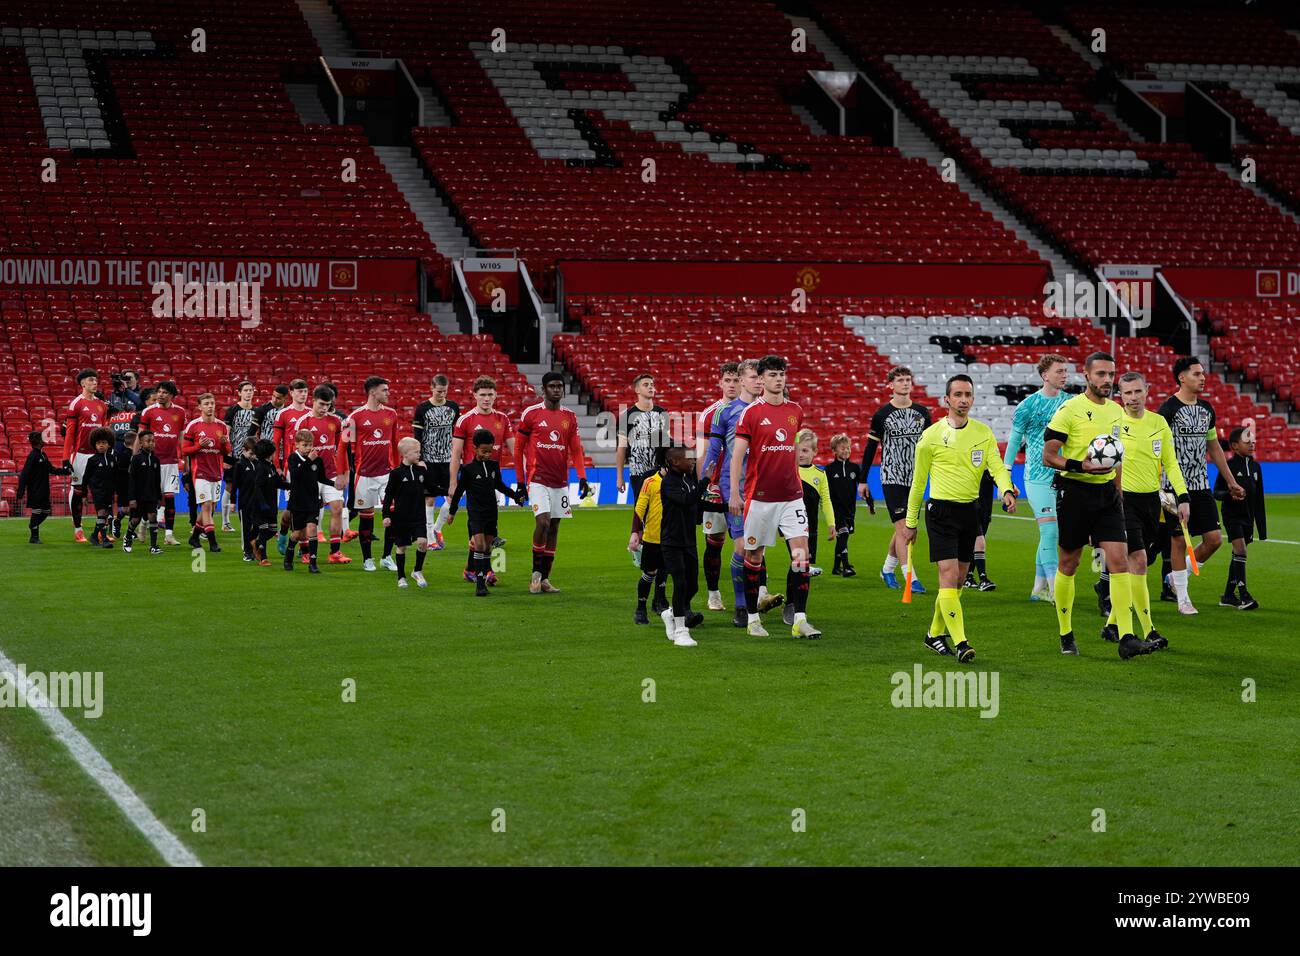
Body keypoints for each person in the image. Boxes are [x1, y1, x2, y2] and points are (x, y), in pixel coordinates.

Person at [1043, 352, 1153, 660]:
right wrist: (1080, 465)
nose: (1107, 380)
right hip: (1074, 492)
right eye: (1101, 374)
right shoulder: (1070, 410)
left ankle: (1127, 637)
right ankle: (1066, 633)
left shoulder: (1117, 412)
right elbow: (1048, 455)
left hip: (1107, 496)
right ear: (1087, 376)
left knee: (1119, 562)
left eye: (1111, 375)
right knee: (1070, 564)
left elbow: (1116, 456)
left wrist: (1118, 492)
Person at [901, 375, 1018, 663]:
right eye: (958, 394)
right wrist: (910, 522)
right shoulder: (930, 436)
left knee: (960, 579)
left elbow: (998, 468)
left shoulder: (983, 433)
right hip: (940, 513)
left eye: (968, 394)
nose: (963, 399)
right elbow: (918, 483)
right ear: (947, 400)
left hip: (970, 512)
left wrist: (1006, 490)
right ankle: (962, 642)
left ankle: (933, 634)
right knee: (949, 576)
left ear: (973, 398)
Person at [729, 354, 820, 639]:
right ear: (762, 379)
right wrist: (734, 491)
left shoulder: (796, 410)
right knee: (753, 557)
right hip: (760, 499)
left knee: (801, 555)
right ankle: (753, 619)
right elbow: (738, 456)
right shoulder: (751, 413)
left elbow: (791, 452)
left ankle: (800, 620)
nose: (778, 379)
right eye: (772, 374)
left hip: (792, 496)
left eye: (782, 374)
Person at [1107, 371, 1189, 649]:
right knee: (1139, 560)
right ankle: (1149, 629)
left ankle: (1111, 624)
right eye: (1127, 393)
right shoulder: (1114, 422)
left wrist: (1183, 496)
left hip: (1151, 502)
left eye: (1137, 391)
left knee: (1140, 561)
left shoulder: (1159, 423)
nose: (1132, 398)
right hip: (1122, 501)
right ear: (1120, 394)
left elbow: (1172, 463)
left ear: (1147, 390)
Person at [1158, 356, 1245, 614]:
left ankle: (1177, 575)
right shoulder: (1168, 409)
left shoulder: (1207, 409)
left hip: (1200, 484)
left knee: (1214, 540)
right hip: (1173, 487)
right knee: (1177, 539)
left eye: (1203, 373)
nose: (1203, 377)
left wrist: (1231, 481)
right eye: (1196, 373)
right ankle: (1183, 598)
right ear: (1182, 377)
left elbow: (1214, 446)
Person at [703, 359, 783, 627]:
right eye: (752, 377)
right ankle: (741, 606)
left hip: (764, 488)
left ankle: (757, 597)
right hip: (733, 487)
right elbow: (714, 451)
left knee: (757, 547)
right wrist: (706, 482)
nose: (759, 381)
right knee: (741, 546)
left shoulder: (770, 410)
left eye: (760, 377)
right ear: (742, 380)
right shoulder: (724, 412)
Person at [1003, 353, 1071, 601]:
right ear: (1045, 375)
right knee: (1051, 532)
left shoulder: (1071, 403)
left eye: (1066, 371)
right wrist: (1006, 475)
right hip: (1036, 477)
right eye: (1059, 371)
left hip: (1063, 476)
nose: (1065, 375)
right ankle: (1056, 591)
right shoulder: (1027, 405)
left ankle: (1037, 589)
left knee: (1051, 533)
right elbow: (1014, 440)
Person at [516, 372, 590, 594]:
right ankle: (535, 574)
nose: (557, 389)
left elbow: (576, 449)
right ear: (544, 389)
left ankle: (546, 578)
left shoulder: (570, 416)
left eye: (560, 386)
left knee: (555, 527)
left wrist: (583, 477)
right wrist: (520, 482)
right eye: (552, 386)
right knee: (544, 523)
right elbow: (518, 448)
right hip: (538, 478)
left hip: (561, 481)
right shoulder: (531, 414)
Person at [860, 366, 930, 593]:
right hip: (891, 477)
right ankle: (910, 576)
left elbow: (931, 446)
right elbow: (870, 448)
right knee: (903, 529)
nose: (905, 383)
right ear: (891, 385)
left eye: (907, 379)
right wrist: (863, 480)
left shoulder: (922, 413)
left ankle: (887, 570)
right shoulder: (882, 414)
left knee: (906, 528)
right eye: (900, 380)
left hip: (916, 478)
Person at [448, 376, 514, 584]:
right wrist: (453, 483)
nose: (486, 398)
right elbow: (456, 454)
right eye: (483, 394)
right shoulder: (465, 420)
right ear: (474, 395)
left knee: (487, 531)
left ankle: (472, 569)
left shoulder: (503, 419)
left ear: (495, 395)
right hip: (472, 480)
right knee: (480, 530)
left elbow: (514, 448)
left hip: (493, 478)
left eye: (490, 394)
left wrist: (524, 475)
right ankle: (486, 572)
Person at [447, 429, 526, 596]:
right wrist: (452, 512)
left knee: (488, 547)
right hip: (475, 513)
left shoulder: (493, 466)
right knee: (480, 545)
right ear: (475, 448)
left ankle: (481, 576)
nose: (488, 454)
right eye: (484, 451)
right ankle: (480, 584)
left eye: (490, 451)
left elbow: (500, 485)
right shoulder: (468, 469)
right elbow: (459, 491)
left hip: (491, 512)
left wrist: (516, 496)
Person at [658, 445, 715, 647]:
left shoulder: (689, 479)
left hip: (689, 541)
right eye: (688, 459)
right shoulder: (668, 483)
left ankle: (671, 613)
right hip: (671, 542)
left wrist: (725, 508)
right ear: (674, 462)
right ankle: (681, 631)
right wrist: (706, 480)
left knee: (693, 585)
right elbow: (687, 500)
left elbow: (696, 504)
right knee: (680, 583)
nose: (692, 462)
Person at [346, 376, 401, 571]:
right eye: (384, 390)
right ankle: (367, 559)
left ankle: (387, 556)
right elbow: (347, 447)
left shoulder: (392, 414)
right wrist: (347, 472)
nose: (388, 393)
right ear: (372, 392)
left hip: (387, 474)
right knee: (366, 517)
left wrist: (397, 469)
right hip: (364, 475)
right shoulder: (355, 417)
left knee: (393, 516)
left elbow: (394, 444)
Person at [697, 363, 740, 609]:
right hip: (716, 487)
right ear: (720, 383)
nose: (732, 385)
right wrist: (705, 484)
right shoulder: (710, 413)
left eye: (736, 380)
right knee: (715, 541)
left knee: (748, 541)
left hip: (742, 487)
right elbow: (703, 453)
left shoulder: (748, 411)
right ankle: (713, 593)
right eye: (728, 380)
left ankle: (754, 594)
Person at [1215, 428, 1266, 610]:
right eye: (1247, 441)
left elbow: (1259, 499)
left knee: (1238, 556)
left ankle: (1228, 595)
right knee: (1241, 550)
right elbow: (1217, 492)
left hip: (1248, 517)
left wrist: (1261, 528)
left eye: (1253, 441)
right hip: (1232, 516)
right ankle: (1244, 596)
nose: (1252, 444)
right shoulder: (1228, 467)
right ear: (1235, 446)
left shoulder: (1256, 467)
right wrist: (1230, 494)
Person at [299, 385, 351, 563]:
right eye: (321, 404)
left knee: (337, 508)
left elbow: (342, 449)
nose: (324, 408)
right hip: (310, 477)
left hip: (331, 474)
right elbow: (296, 453)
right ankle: (305, 552)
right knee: (309, 514)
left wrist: (345, 472)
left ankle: (334, 552)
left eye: (327, 405)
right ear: (312, 401)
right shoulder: (303, 422)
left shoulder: (336, 421)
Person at [414, 373, 460, 551]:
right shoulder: (422, 409)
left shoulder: (453, 407)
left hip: (449, 460)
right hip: (430, 461)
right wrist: (420, 459)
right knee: (430, 498)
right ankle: (430, 537)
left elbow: (458, 433)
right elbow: (417, 436)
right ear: (431, 388)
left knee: (452, 496)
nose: (442, 394)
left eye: (445, 391)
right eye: (439, 391)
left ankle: (437, 529)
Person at [137, 380, 187, 546]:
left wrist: (185, 460)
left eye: (165, 392)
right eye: (159, 392)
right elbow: (140, 435)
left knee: (170, 497)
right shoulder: (148, 412)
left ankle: (169, 535)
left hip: (171, 462)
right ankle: (143, 524)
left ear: (171, 395)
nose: (160, 395)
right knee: (149, 498)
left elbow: (181, 438)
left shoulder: (180, 412)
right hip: (152, 462)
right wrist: (135, 458)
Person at [62, 368, 109, 543]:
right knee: (79, 491)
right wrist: (66, 457)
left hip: (97, 456)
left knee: (100, 493)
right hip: (80, 455)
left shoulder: (102, 405)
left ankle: (100, 530)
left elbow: (105, 432)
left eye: (96, 380)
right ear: (82, 383)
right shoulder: (76, 404)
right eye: (90, 380)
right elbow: (69, 434)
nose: (94, 383)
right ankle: (78, 529)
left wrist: (108, 453)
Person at [181, 393, 232, 552]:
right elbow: (185, 450)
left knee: (210, 508)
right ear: (200, 407)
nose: (210, 406)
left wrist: (224, 445)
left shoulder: (221, 426)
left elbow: (227, 451)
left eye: (212, 403)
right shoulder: (193, 426)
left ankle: (194, 537)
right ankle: (213, 543)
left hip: (216, 472)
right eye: (206, 403)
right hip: (200, 472)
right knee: (207, 506)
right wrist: (198, 446)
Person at [381, 437, 434, 589]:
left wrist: (448, 492)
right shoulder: (396, 473)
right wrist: (386, 515)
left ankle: (417, 571)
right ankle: (401, 576)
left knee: (423, 542)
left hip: (418, 516)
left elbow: (431, 488)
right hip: (401, 517)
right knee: (401, 547)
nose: (419, 455)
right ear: (405, 454)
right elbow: (389, 496)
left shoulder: (421, 470)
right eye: (416, 452)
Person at [272, 379, 313, 552]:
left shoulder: (312, 414)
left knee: (307, 506)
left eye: (305, 391)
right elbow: (276, 443)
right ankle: (283, 533)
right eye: (299, 391)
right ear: (291, 393)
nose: (303, 394)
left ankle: (303, 546)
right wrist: (278, 466)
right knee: (292, 508)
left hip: (309, 469)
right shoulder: (283, 414)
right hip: (292, 469)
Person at [615, 373, 669, 503]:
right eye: (646, 385)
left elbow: (667, 444)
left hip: (659, 471)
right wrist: (619, 477)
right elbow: (621, 448)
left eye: (652, 385)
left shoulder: (662, 413)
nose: (651, 387)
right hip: (638, 471)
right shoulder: (627, 416)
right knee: (641, 511)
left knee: (661, 510)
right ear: (637, 390)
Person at [628, 465, 668, 624]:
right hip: (652, 536)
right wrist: (635, 532)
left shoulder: (680, 480)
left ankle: (664, 603)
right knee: (650, 573)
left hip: (672, 537)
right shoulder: (650, 481)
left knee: (669, 571)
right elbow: (639, 509)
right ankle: (641, 608)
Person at [795, 429, 837, 577]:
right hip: (792, 524)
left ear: (815, 452)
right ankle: (797, 588)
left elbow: (826, 501)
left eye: (805, 451)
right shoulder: (790, 471)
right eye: (798, 450)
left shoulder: (820, 474)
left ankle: (804, 572)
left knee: (804, 559)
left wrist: (831, 523)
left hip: (811, 524)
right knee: (798, 560)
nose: (800, 454)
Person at [283, 430, 325, 573]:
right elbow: (296, 476)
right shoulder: (293, 458)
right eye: (305, 445)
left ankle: (313, 563)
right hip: (297, 503)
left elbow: (321, 478)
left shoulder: (316, 460)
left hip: (312, 502)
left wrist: (334, 484)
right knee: (297, 534)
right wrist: (309, 461)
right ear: (297, 445)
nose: (308, 448)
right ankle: (288, 557)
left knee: (312, 529)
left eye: (310, 445)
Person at [17, 430, 69, 544]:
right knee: (37, 510)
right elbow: (25, 474)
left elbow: (51, 469)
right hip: (35, 489)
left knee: (46, 511)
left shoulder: (43, 455)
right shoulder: (32, 456)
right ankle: (34, 536)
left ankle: (32, 525)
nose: (44, 439)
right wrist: (20, 490)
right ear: (37, 441)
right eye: (42, 438)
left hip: (44, 489)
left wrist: (64, 471)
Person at [222, 381, 260, 533]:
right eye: (245, 390)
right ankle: (225, 522)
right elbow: (226, 433)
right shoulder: (233, 410)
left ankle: (250, 520)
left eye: (251, 390)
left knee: (251, 487)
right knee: (230, 487)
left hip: (250, 455)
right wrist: (227, 454)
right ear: (239, 392)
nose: (249, 393)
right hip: (234, 455)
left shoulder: (256, 412)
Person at [823, 434, 860, 576]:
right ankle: (846, 567)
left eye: (848, 448)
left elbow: (862, 486)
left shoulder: (855, 468)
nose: (846, 450)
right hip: (835, 509)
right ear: (834, 451)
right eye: (842, 448)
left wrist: (870, 503)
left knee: (843, 536)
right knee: (843, 534)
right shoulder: (829, 469)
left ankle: (835, 567)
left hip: (850, 509)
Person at [122, 430, 163, 555]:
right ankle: (127, 538)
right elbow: (132, 480)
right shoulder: (136, 459)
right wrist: (131, 498)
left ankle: (154, 546)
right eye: (148, 441)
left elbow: (157, 480)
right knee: (135, 519)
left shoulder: (156, 460)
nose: (151, 443)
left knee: (153, 517)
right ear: (140, 443)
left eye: (153, 441)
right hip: (138, 496)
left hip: (151, 495)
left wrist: (159, 496)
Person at [81, 427, 118, 548]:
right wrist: (84, 494)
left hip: (109, 492)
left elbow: (116, 475)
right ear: (94, 445)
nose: (101, 445)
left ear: (109, 444)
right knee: (101, 512)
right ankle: (104, 540)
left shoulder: (113, 459)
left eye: (104, 443)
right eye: (98, 443)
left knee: (105, 514)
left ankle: (94, 535)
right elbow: (85, 478)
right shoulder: (92, 460)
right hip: (97, 492)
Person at [963, 473, 997, 592]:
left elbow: (996, 477)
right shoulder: (973, 462)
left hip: (985, 510)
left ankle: (968, 577)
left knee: (975, 543)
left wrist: (1008, 489)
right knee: (979, 541)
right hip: (972, 508)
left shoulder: (990, 464)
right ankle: (983, 578)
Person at [111, 430, 137, 539]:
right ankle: (116, 521)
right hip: (124, 485)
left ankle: (130, 531)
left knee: (135, 508)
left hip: (135, 484)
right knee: (127, 509)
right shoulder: (122, 454)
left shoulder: (138, 453)